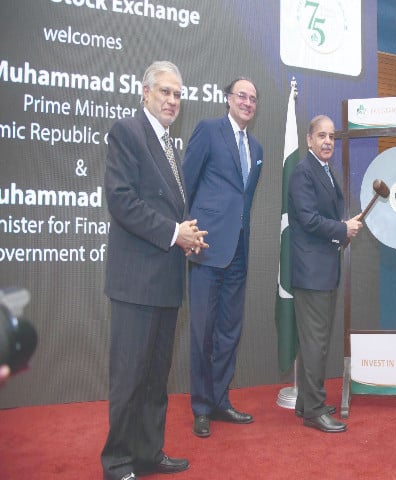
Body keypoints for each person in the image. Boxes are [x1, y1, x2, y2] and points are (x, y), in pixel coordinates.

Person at [102, 61, 208, 480]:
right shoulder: (127, 132)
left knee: (154, 379)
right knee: (128, 379)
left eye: (178, 94)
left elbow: (168, 210)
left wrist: (187, 237)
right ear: (144, 92)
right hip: (135, 284)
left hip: (164, 283)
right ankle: (118, 463)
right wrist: (173, 233)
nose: (172, 101)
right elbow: (122, 201)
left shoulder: (170, 144)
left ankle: (148, 453)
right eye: (165, 92)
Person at [182, 77, 263, 438]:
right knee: (202, 332)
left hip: (239, 252)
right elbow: (186, 182)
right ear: (227, 99)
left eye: (253, 98)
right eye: (241, 96)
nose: (247, 102)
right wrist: (185, 233)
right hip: (206, 248)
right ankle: (200, 407)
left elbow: (242, 202)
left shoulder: (256, 147)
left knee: (229, 332)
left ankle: (220, 401)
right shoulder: (209, 130)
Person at [288, 115, 363, 433]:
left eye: (332, 136)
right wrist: (342, 228)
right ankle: (315, 410)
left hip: (323, 270)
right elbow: (307, 219)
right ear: (308, 140)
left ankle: (306, 402)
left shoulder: (325, 171)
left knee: (313, 343)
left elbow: (324, 220)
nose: (328, 141)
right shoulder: (302, 173)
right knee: (316, 343)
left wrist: (343, 230)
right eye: (321, 135)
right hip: (311, 273)